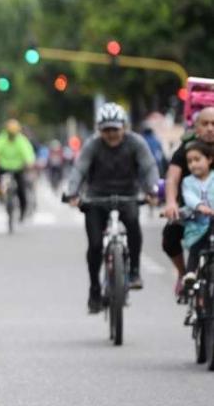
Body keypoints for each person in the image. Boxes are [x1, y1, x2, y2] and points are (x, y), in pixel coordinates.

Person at [65, 103, 159, 314]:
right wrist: (72, 192)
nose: (111, 134)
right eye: (106, 130)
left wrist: (153, 191)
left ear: (124, 127)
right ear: (99, 130)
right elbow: (79, 169)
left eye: (115, 129)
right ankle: (94, 289)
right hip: (96, 198)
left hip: (128, 195)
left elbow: (149, 167)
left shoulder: (136, 143)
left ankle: (134, 270)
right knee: (95, 244)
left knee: (134, 224)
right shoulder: (92, 145)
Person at [163, 107, 214, 296]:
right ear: (196, 127)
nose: (210, 128)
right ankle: (184, 274)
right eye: (205, 124)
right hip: (190, 211)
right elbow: (172, 179)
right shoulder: (185, 150)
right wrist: (170, 203)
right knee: (169, 238)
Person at [0, 119, 35, 222]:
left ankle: (22, 211)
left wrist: (29, 162)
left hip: (18, 168)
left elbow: (28, 152)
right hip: (4, 167)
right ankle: (1, 197)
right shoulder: (0, 140)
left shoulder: (21, 140)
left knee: (22, 190)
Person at [181, 141, 214, 283]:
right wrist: (200, 207)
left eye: (197, 159)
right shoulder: (187, 182)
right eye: (190, 161)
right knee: (195, 248)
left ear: (209, 159)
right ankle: (190, 274)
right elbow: (189, 198)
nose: (193, 164)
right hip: (197, 226)